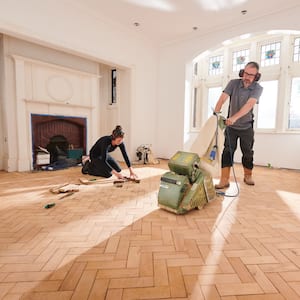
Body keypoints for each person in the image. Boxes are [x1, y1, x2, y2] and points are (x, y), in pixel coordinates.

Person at [214, 61, 263, 188]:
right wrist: (216, 111)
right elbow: (223, 98)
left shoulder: (257, 88)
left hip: (246, 127)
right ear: (242, 72)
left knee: (247, 152)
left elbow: (249, 105)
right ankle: (224, 179)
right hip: (231, 128)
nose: (247, 77)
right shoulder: (233, 83)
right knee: (227, 152)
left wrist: (234, 117)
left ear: (256, 76)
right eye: (246, 73)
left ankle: (248, 175)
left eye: (251, 75)